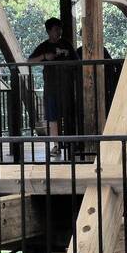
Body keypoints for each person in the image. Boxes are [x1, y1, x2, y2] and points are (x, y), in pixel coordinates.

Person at [28, 17, 79, 157]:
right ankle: (56, 145)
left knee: (68, 114)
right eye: (56, 29)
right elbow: (29, 61)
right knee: (53, 117)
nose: (59, 32)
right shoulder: (44, 46)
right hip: (51, 87)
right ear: (49, 31)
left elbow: (77, 62)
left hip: (67, 86)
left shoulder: (66, 44)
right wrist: (44, 56)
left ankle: (71, 144)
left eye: (60, 29)